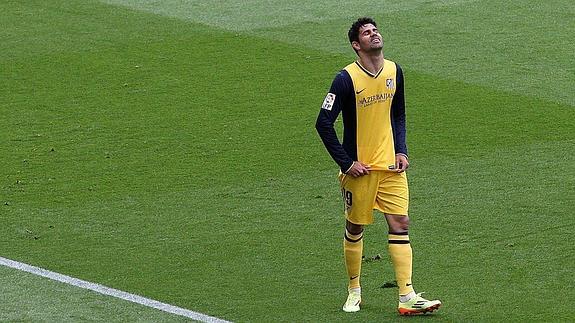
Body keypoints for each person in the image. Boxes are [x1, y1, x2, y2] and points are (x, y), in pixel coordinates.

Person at [315, 17, 441, 315]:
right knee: (355, 226)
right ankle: (354, 290)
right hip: (361, 171)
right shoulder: (345, 79)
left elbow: (398, 115)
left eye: (375, 30)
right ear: (356, 45)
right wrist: (346, 164)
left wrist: (402, 150)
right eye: (366, 33)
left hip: (390, 167)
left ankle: (407, 295)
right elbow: (323, 123)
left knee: (401, 223)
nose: (374, 35)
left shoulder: (394, 70)